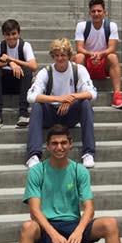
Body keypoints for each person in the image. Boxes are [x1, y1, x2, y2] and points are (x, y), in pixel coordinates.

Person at [25, 38, 96, 170]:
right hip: (51, 114)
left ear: (69, 56)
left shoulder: (78, 70)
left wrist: (71, 98)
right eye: (56, 55)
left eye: (63, 55)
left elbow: (92, 93)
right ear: (53, 56)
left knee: (85, 103)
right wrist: (58, 99)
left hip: (69, 114)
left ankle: (88, 153)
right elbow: (31, 96)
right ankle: (34, 155)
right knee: (37, 105)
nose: (60, 58)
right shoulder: (46, 72)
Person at [75, 0, 122, 110]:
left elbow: (112, 48)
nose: (96, 14)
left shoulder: (111, 26)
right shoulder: (82, 26)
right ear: (89, 13)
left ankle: (117, 95)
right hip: (88, 62)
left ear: (104, 12)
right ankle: (80, 93)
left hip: (103, 63)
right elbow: (79, 48)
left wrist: (100, 55)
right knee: (78, 57)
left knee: (112, 56)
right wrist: (91, 54)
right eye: (93, 11)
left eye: (99, 11)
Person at [0, 18, 38, 129]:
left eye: (13, 33)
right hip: (4, 83)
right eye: (7, 34)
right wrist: (10, 64)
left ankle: (23, 114)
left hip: (20, 84)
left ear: (19, 33)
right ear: (3, 35)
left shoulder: (25, 45)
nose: (11, 37)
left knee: (27, 70)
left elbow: (34, 66)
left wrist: (11, 60)